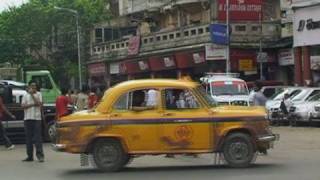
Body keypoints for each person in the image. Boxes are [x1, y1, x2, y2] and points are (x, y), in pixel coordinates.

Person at [21, 81, 44, 162]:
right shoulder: (25, 96)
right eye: (32, 86)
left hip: (37, 119)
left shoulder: (39, 94)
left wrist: (32, 95)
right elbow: (23, 106)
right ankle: (30, 156)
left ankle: (40, 156)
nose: (33, 87)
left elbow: (39, 104)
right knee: (28, 139)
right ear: (29, 87)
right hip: (27, 118)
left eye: (35, 86)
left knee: (38, 138)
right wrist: (32, 104)